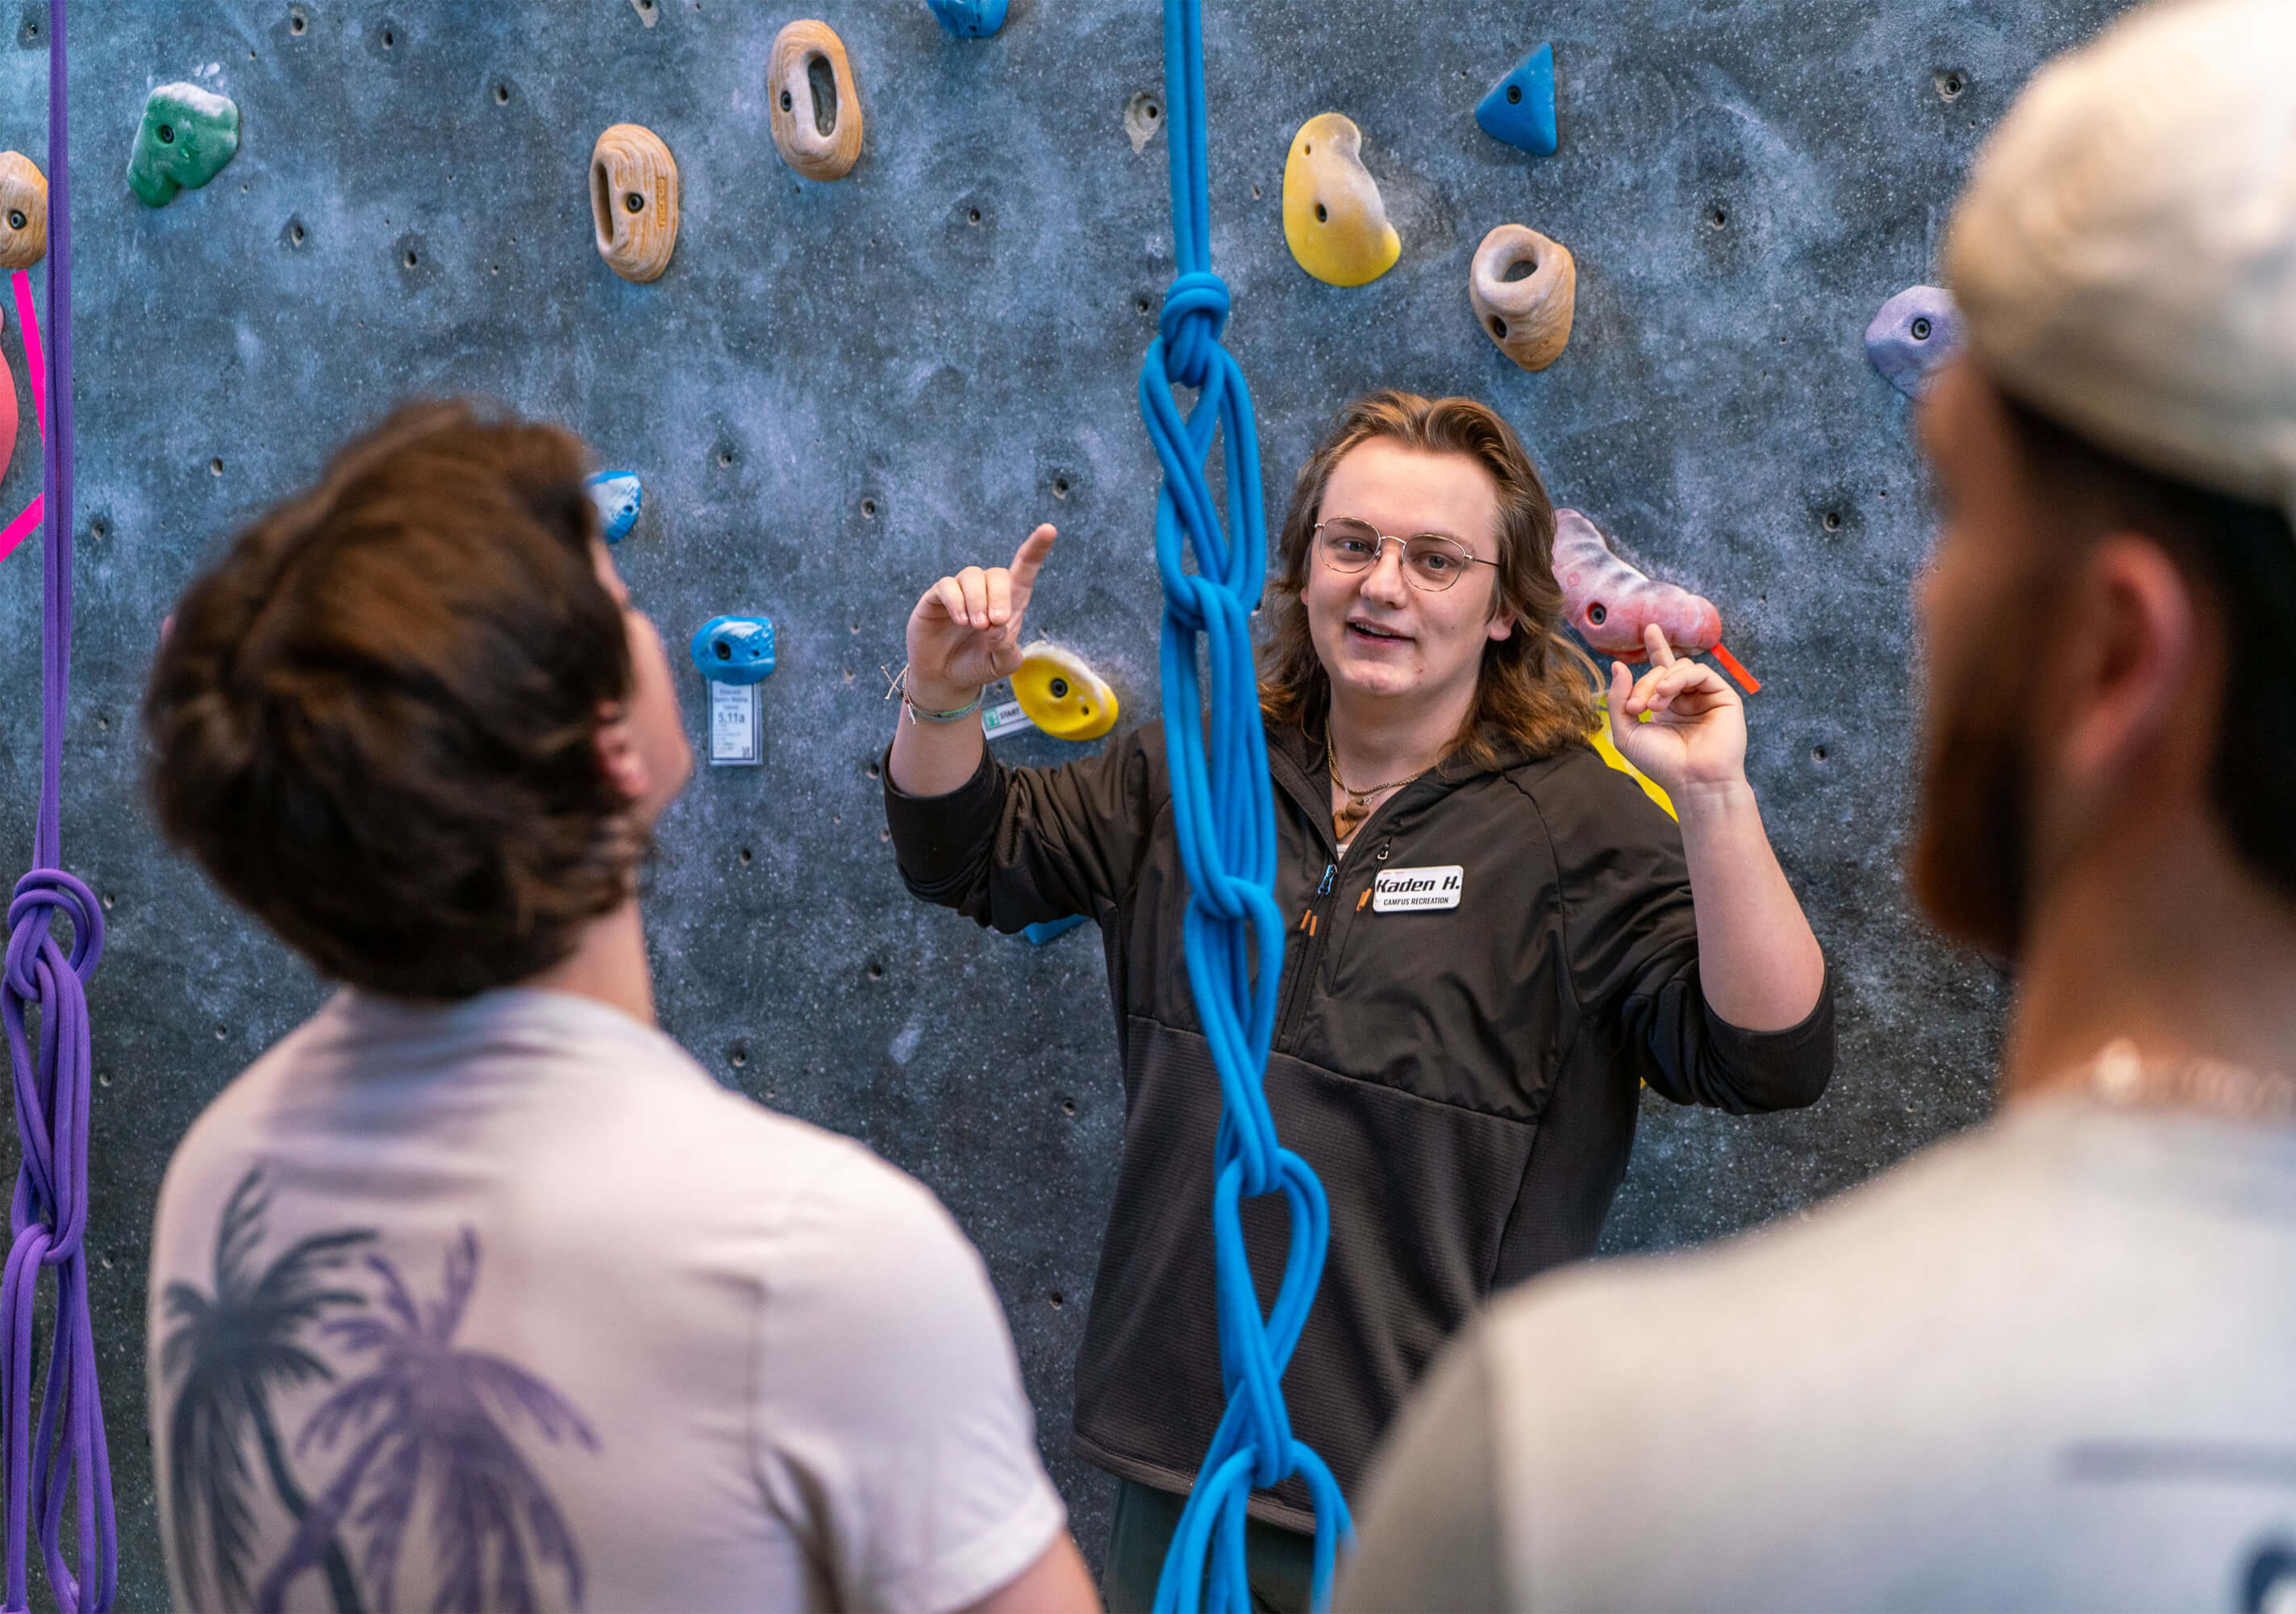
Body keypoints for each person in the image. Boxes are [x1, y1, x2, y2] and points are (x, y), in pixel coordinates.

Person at [1338, 2, 2296, 1607]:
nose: (1925, 592)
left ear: (2112, 655)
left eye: (1963, 512)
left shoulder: (1590, 1469)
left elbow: (1766, 1048)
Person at [142, 402, 1097, 1614]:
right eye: (620, 601)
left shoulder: (221, 1180)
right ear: (613, 748)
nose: (646, 622)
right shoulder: (809, 1255)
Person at [884, 391, 1834, 1608]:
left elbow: (1771, 1057)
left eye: (1436, 559)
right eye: (1354, 545)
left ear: (1503, 608)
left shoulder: (1578, 832)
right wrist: (943, 695)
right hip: (1187, 1467)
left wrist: (1711, 798)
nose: (1385, 585)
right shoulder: (1200, 764)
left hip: (1424, 1509)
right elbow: (966, 851)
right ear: (1305, 569)